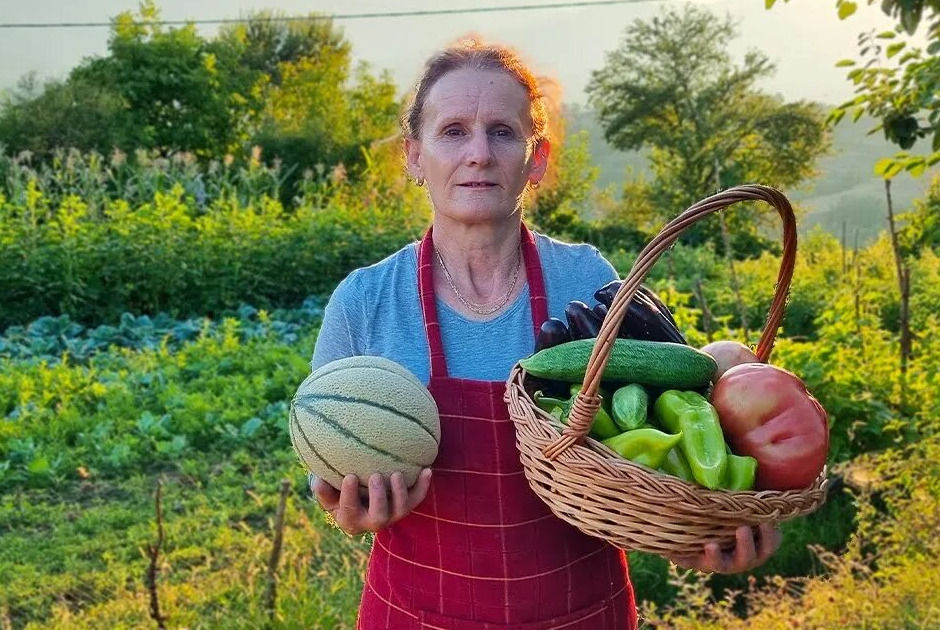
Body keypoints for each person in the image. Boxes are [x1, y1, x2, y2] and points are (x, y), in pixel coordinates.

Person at [309, 36, 780, 629]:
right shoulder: (364, 301)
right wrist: (346, 509)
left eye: (503, 132)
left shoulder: (589, 281)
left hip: (581, 612)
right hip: (415, 613)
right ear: (412, 155)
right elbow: (326, 481)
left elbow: (656, 444)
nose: (478, 153)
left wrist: (701, 528)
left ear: (538, 158)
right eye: (453, 130)